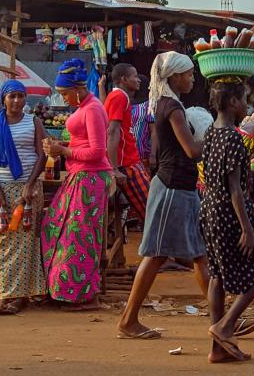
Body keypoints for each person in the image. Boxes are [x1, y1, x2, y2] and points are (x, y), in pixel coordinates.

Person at [119, 52, 209, 339]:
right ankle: (128, 320)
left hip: (181, 187)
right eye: (189, 74)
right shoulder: (173, 108)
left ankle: (223, 318)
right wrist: (217, 137)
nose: (192, 79)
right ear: (174, 77)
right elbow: (192, 151)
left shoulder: (166, 104)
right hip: (172, 189)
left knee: (200, 255)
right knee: (156, 255)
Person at [201, 78, 254, 364]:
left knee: (217, 274)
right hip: (230, 213)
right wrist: (247, 228)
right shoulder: (234, 138)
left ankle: (217, 349)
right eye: (244, 99)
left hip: (210, 210)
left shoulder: (212, 131)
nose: (246, 105)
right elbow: (235, 189)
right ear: (234, 103)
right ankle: (225, 326)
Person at [41, 59, 112, 310]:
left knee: (79, 237)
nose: (63, 99)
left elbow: (96, 151)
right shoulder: (85, 106)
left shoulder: (92, 109)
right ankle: (66, 290)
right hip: (80, 176)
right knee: (57, 227)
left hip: (90, 177)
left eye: (64, 94)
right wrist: (60, 148)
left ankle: (83, 295)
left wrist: (64, 150)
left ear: (77, 88)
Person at [0, 80, 48, 315]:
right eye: (12, 97)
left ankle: (20, 296)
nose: (17, 101)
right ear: (4, 100)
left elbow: (42, 155)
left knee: (25, 243)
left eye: (21, 96)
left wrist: (29, 184)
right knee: (0, 242)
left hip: (27, 190)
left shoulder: (34, 122)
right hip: (0, 189)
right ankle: (4, 295)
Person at [105, 63, 151, 224]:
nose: (138, 80)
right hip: (127, 164)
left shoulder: (116, 96)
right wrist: (114, 169)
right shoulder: (120, 97)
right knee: (153, 212)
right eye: (135, 76)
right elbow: (112, 131)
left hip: (129, 161)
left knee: (151, 211)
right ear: (124, 79)